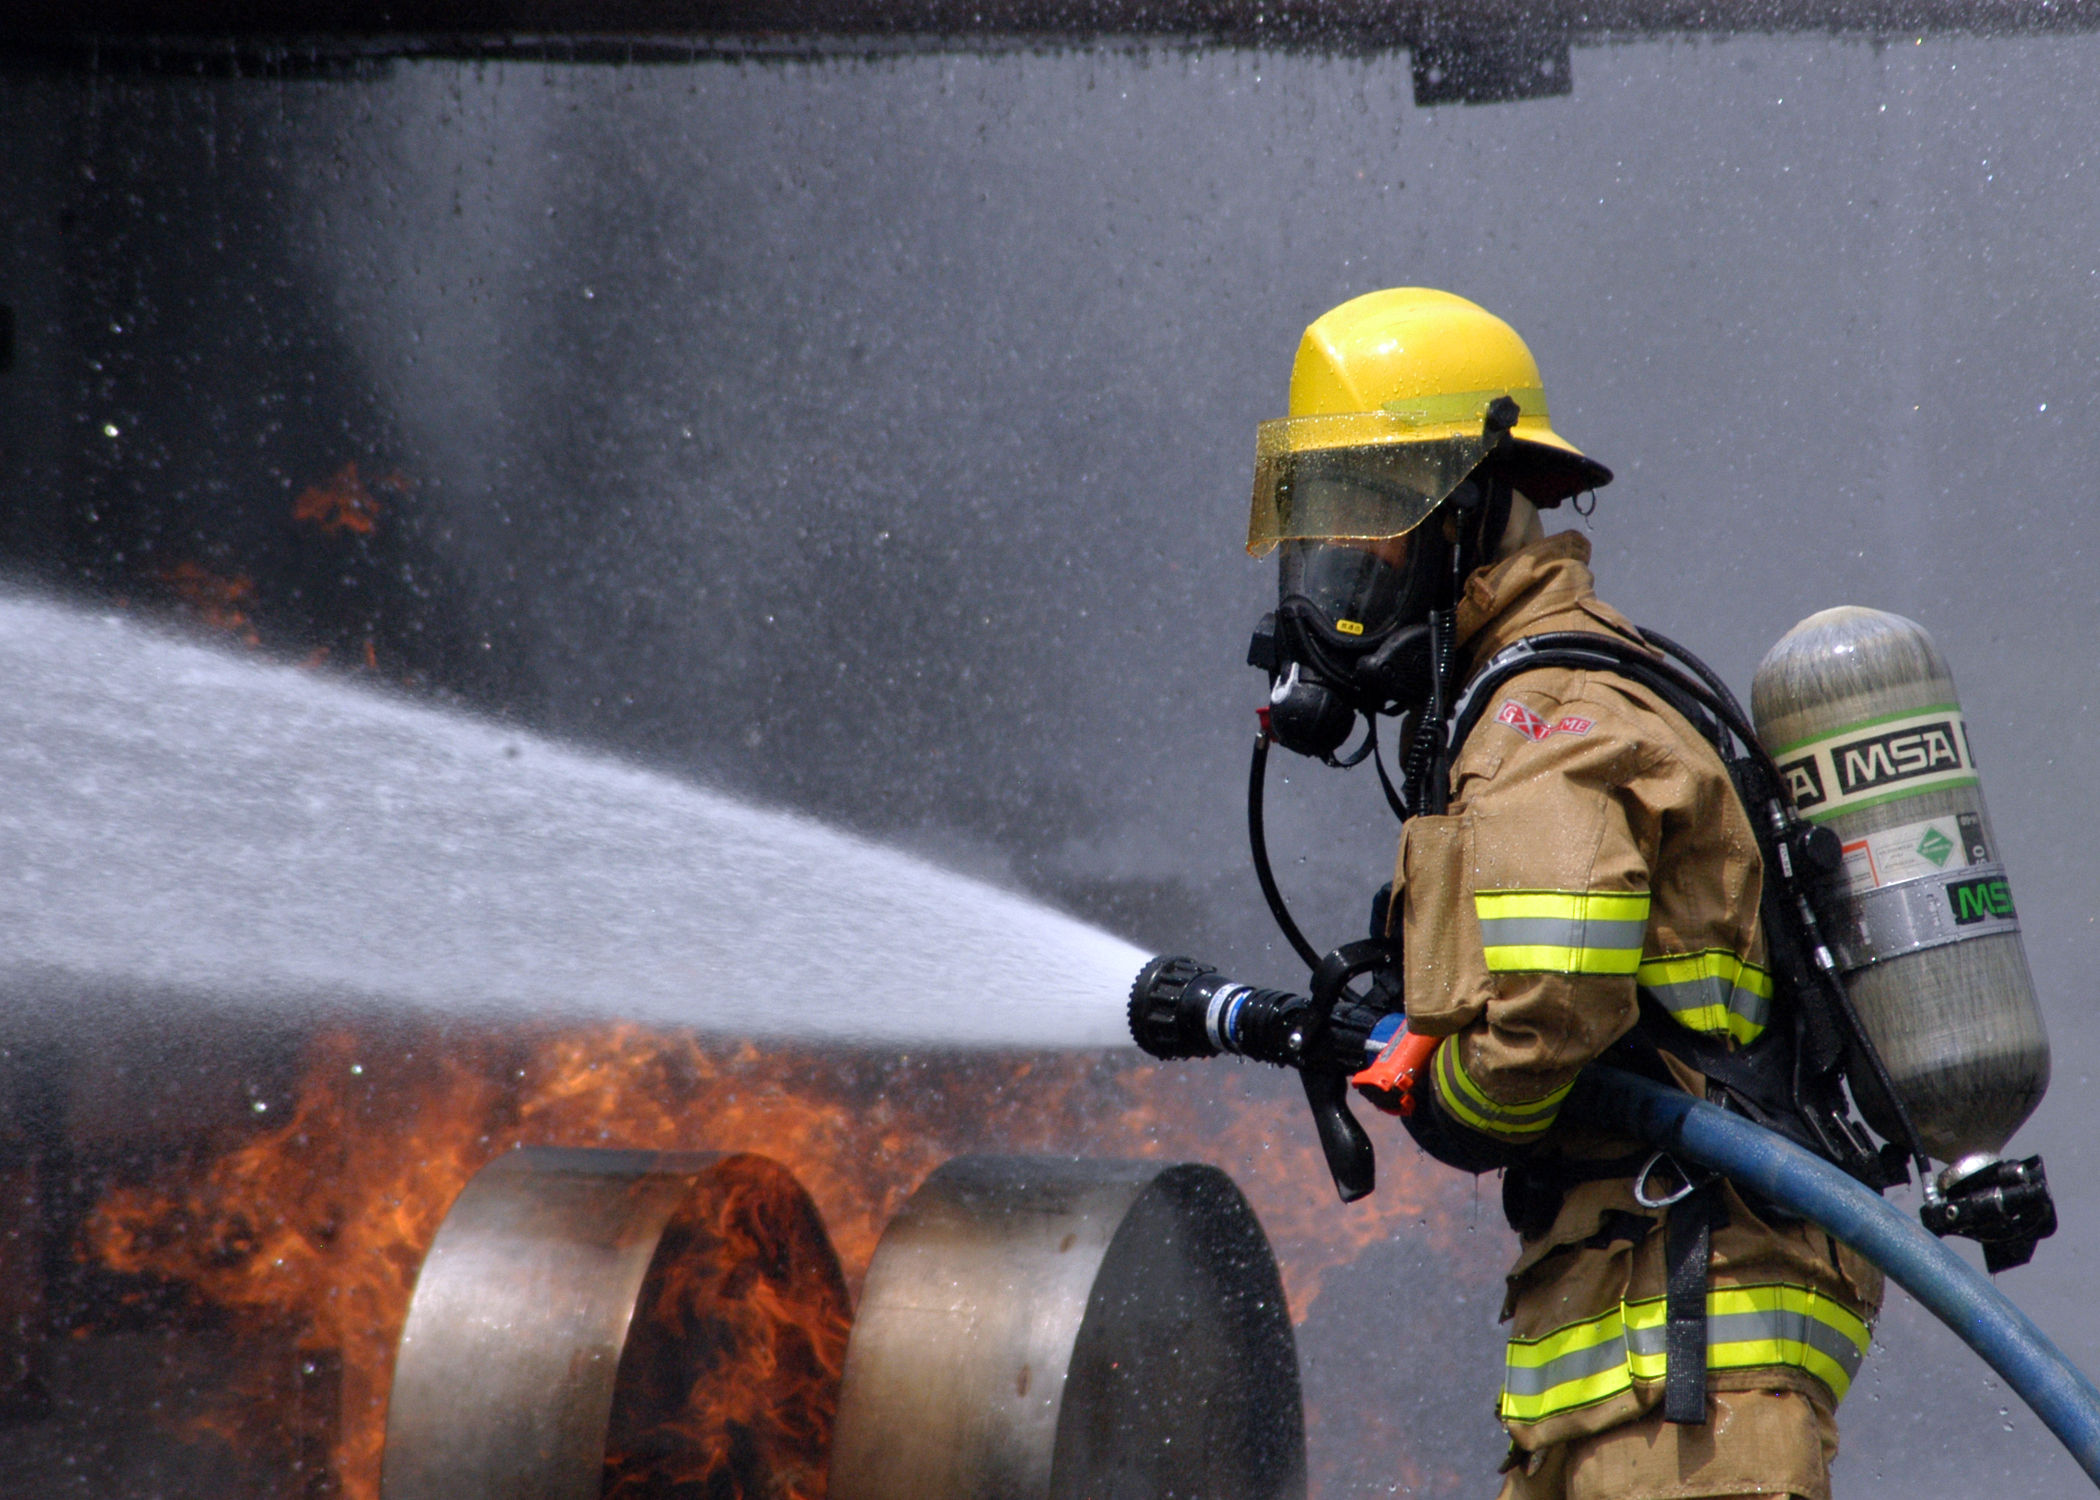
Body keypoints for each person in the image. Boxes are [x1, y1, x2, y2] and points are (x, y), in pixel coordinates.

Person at [1247, 288, 1884, 1500]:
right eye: (1327, 521)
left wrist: (1439, 1092)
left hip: (1690, 1359)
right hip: (1635, 1350)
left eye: (1378, 514)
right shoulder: (1524, 702)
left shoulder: (1548, 720)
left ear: (1473, 507)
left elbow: (1542, 1026)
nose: (1348, 562)